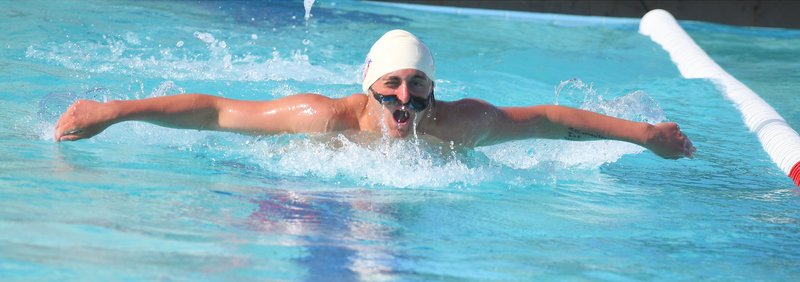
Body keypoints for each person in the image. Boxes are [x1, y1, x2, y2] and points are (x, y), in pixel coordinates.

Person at [54, 29, 695, 159]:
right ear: (368, 87)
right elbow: (217, 110)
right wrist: (110, 112)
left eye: (417, 84)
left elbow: (552, 119)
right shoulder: (320, 118)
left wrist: (645, 137)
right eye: (391, 82)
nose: (405, 98)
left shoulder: (460, 124)